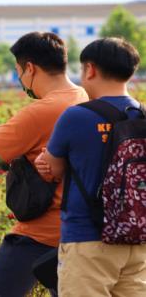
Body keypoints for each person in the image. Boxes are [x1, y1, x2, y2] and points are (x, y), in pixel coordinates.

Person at [0, 32, 88, 296]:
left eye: (18, 72)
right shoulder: (83, 96)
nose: (21, 79)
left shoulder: (41, 110)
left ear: (30, 68)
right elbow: (42, 151)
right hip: (81, 230)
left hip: (40, 233)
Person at [35, 37, 146, 296]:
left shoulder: (77, 116)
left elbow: (54, 169)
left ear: (90, 69)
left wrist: (46, 163)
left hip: (88, 237)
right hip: (138, 237)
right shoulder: (143, 115)